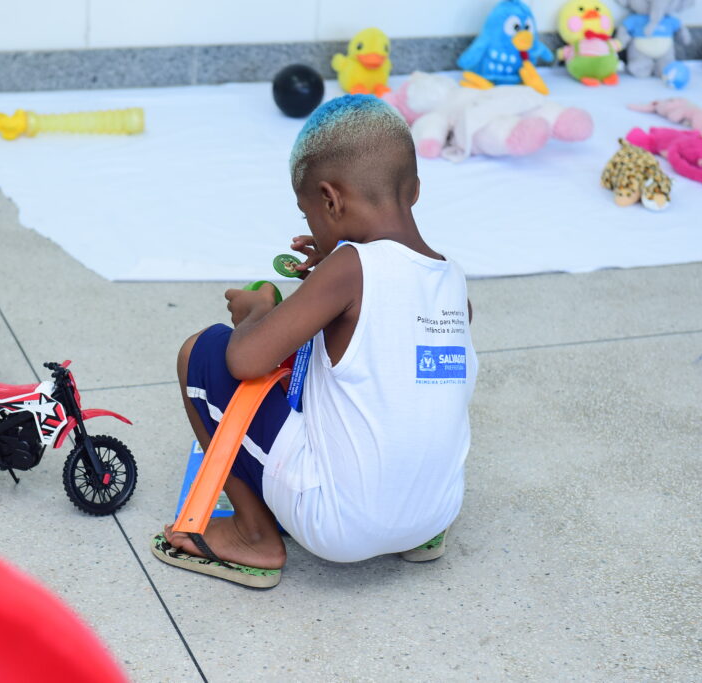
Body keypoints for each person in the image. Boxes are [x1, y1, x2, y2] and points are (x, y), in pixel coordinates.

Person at [150, 95, 478, 589]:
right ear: (413, 189)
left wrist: (258, 310)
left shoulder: (349, 268)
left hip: (339, 527)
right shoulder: (453, 280)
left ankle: (252, 535)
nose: (312, 228)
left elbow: (245, 359)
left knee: (203, 350)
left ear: (330, 199)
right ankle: (419, 538)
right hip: (436, 510)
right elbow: (383, 330)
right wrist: (330, 267)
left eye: (310, 216)